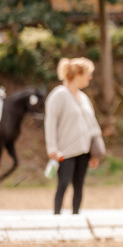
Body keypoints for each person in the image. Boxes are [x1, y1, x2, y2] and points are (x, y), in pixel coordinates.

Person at [45, 57, 104, 215]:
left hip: (84, 150)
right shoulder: (59, 95)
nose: (90, 78)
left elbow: (93, 126)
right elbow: (50, 122)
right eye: (88, 74)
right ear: (78, 74)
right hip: (65, 151)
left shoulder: (84, 98)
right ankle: (57, 216)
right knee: (63, 184)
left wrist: (95, 153)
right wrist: (52, 148)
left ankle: (76, 216)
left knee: (79, 186)